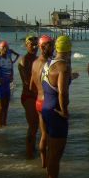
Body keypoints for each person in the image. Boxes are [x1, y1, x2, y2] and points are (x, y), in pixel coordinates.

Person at [41, 35, 72, 178]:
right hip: (56, 113)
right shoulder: (63, 67)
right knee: (56, 154)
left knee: (50, 149)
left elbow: (50, 83)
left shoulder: (49, 63)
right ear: (69, 49)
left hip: (46, 108)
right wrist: (64, 111)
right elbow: (62, 93)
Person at [30, 35, 54, 168]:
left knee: (43, 134)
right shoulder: (49, 64)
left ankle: (43, 164)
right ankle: (50, 167)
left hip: (38, 102)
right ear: (44, 46)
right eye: (51, 45)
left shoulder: (34, 63)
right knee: (51, 136)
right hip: (48, 103)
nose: (53, 47)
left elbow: (31, 86)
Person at [18, 35, 39, 158]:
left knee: (36, 125)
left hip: (36, 95)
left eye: (36, 45)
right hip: (28, 96)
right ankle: (29, 154)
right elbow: (27, 81)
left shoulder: (37, 59)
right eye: (32, 45)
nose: (35, 47)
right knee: (33, 125)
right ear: (26, 45)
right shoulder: (24, 59)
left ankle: (32, 149)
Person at [0, 41, 19, 127]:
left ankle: (4, 124)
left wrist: (12, 75)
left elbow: (11, 68)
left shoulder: (9, 57)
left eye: (6, 48)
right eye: (3, 48)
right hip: (0, 86)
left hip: (7, 85)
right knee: (0, 106)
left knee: (6, 106)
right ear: (0, 49)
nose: (5, 49)